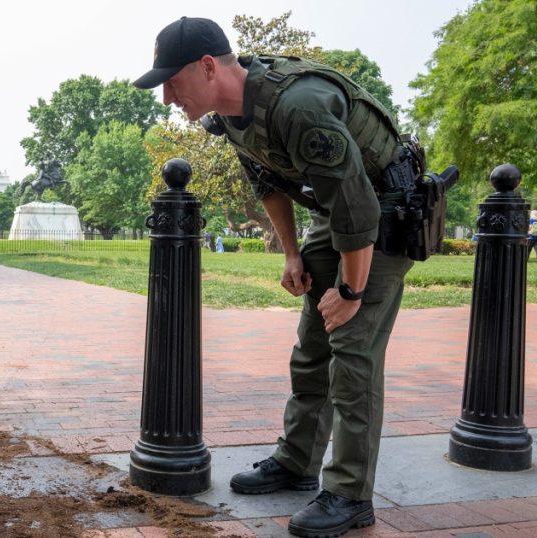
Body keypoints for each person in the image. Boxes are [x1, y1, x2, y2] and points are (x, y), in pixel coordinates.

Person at [134, 17, 418, 537]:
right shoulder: (227, 117)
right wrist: (291, 253)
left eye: (172, 82)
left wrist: (351, 290)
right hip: (334, 214)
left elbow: (358, 208)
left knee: (352, 354)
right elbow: (266, 177)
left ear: (206, 67)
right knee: (312, 348)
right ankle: (298, 461)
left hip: (387, 216)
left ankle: (351, 495)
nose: (168, 97)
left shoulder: (300, 106)